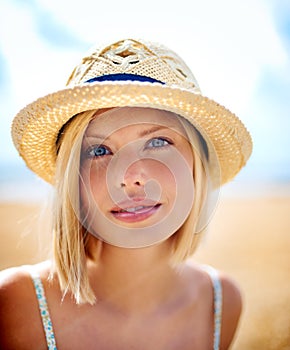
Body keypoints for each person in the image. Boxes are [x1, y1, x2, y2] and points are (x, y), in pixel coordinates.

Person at [0, 38, 252, 349]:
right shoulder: (15, 305)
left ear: (195, 164)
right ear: (72, 177)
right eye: (100, 150)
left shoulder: (220, 304)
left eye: (157, 142)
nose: (130, 177)